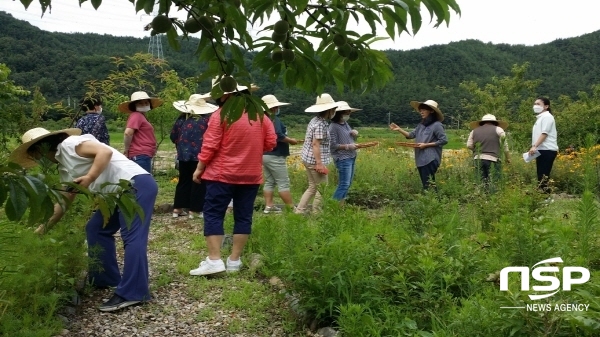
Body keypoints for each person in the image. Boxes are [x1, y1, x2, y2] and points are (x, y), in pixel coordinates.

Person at [9, 127, 157, 312]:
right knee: (96, 229)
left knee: (133, 237)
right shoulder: (64, 166)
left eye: (35, 154)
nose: (38, 159)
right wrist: (41, 230)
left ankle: (134, 293)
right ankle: (105, 279)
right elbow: (63, 203)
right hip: (115, 195)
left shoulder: (70, 144)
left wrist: (90, 177)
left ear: (40, 148)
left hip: (134, 185)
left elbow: (104, 151)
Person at [189, 78, 276, 276]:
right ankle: (234, 261)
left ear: (226, 95)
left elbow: (210, 145)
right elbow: (271, 142)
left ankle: (214, 260)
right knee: (244, 216)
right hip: (251, 174)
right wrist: (250, 149)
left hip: (221, 174)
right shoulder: (261, 115)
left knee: (213, 213)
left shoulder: (221, 114)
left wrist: (199, 168)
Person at [170, 94, 218, 219]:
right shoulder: (207, 120)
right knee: (198, 181)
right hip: (200, 155)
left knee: (183, 180)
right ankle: (194, 210)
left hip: (183, 155)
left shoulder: (181, 119)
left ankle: (177, 209)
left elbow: (173, 136)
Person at [295, 93, 341, 214]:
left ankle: (300, 211)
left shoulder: (316, 120)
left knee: (312, 187)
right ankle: (317, 213)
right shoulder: (320, 124)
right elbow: (316, 144)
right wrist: (319, 164)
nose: (335, 111)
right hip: (314, 161)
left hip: (308, 158)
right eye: (334, 109)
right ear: (329, 110)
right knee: (322, 188)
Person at [389, 100, 448, 190]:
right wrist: (399, 129)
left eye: (424, 110)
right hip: (421, 158)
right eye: (421, 110)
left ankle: (433, 201)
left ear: (431, 111)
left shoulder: (437, 125)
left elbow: (444, 140)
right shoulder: (421, 125)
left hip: (430, 158)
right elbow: (410, 135)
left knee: (429, 184)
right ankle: (431, 200)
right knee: (426, 184)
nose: (421, 112)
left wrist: (426, 145)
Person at [261, 94, 299, 213]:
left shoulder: (262, 118)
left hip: (264, 154)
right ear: (272, 108)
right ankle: (291, 208)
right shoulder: (273, 119)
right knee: (283, 182)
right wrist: (290, 140)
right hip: (275, 154)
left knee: (270, 181)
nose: (277, 109)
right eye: (276, 106)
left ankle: (269, 206)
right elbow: (278, 135)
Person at [118, 91, 163, 173]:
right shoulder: (136, 115)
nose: (144, 105)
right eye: (140, 103)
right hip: (140, 154)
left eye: (146, 103)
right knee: (142, 181)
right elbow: (128, 133)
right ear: (134, 106)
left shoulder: (142, 116)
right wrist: (126, 150)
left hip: (143, 154)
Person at [467, 114, 510, 191]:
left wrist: (477, 150)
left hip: (478, 159)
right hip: (493, 159)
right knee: (493, 181)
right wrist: (508, 158)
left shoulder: (474, 131)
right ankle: (492, 198)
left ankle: (481, 197)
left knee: (480, 181)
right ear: (494, 122)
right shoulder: (498, 129)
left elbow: (469, 145)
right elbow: (505, 146)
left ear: (482, 122)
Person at [529, 96, 558, 197]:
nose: (535, 106)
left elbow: (544, 133)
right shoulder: (541, 118)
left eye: (538, 104)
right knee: (541, 175)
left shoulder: (547, 117)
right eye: (535, 104)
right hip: (541, 149)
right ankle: (542, 196)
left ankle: (546, 197)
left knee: (544, 175)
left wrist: (534, 146)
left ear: (546, 106)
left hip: (547, 149)